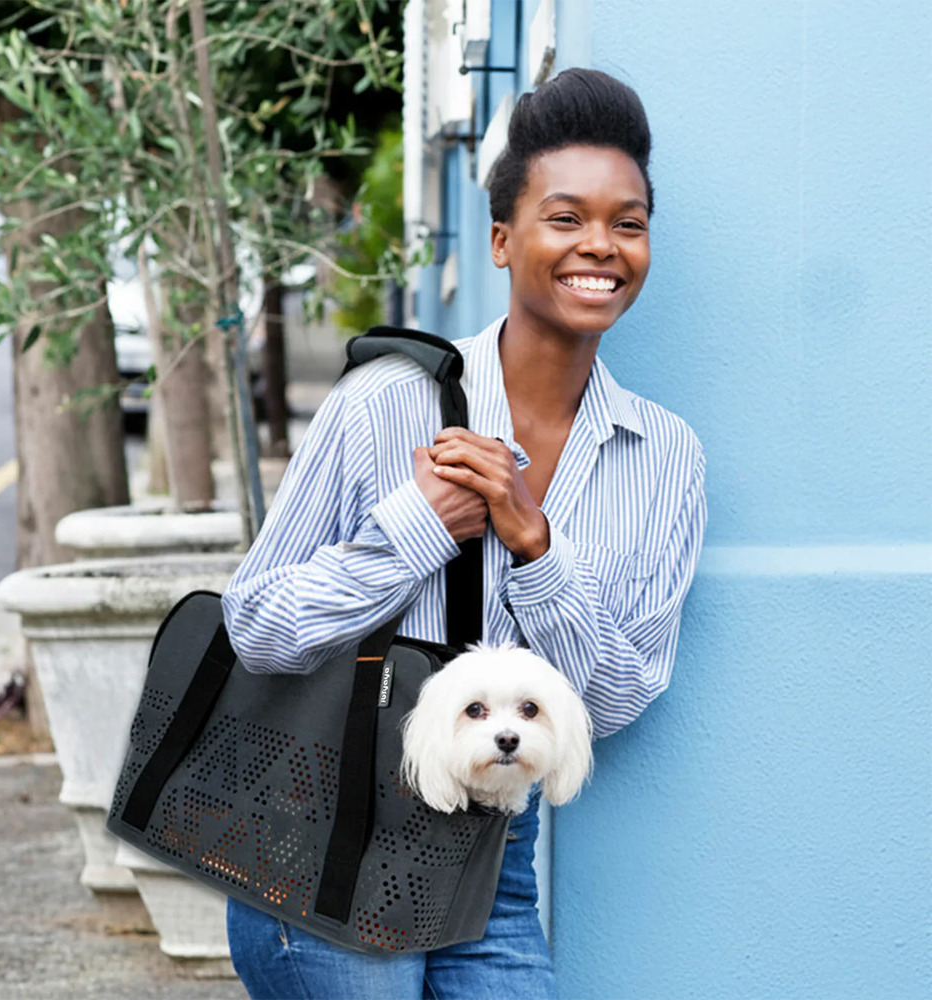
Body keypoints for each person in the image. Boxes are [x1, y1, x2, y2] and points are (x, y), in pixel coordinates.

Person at [221, 67, 707, 1000]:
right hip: (326, 838)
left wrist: (536, 547)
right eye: (564, 218)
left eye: (628, 223)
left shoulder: (664, 458)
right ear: (501, 239)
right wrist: (412, 531)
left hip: (493, 858)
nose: (599, 246)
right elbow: (255, 626)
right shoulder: (384, 403)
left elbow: (611, 703)